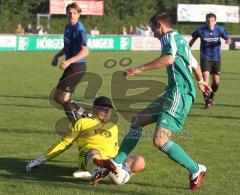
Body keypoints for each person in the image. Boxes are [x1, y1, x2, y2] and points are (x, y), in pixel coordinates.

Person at [93, 12, 212, 190]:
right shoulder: (179, 39)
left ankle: (196, 170)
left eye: (153, 29)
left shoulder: (168, 37)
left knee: (159, 141)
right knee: (137, 121)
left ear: (159, 25)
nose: (153, 34)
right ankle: (117, 163)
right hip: (173, 92)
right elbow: (194, 63)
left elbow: (169, 59)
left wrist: (138, 69)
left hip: (179, 94)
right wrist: (201, 81)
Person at [26, 96, 145, 185]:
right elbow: (65, 143)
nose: (107, 112)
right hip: (88, 156)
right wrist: (42, 159)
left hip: (111, 161)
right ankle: (100, 171)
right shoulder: (82, 122)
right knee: (94, 152)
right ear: (94, 109)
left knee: (140, 161)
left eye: (109, 110)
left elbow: (116, 148)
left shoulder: (113, 126)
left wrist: (119, 161)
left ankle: (111, 173)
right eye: (103, 109)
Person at [51, 3, 90, 123]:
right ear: (66, 14)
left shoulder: (80, 30)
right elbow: (67, 47)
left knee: (64, 98)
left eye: (74, 13)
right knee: (57, 97)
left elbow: (85, 51)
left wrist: (68, 61)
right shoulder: (67, 27)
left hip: (77, 67)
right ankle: (87, 115)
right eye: (69, 13)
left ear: (79, 14)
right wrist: (57, 56)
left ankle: (75, 125)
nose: (71, 15)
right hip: (71, 67)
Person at [189, 13, 231, 108]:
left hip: (216, 58)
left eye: (212, 21)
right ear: (205, 21)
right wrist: (187, 49)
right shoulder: (201, 30)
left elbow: (228, 38)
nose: (210, 23)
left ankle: (211, 97)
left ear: (215, 22)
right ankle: (207, 101)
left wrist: (228, 40)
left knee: (216, 82)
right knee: (206, 81)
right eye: (208, 21)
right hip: (205, 58)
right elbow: (192, 39)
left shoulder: (219, 29)